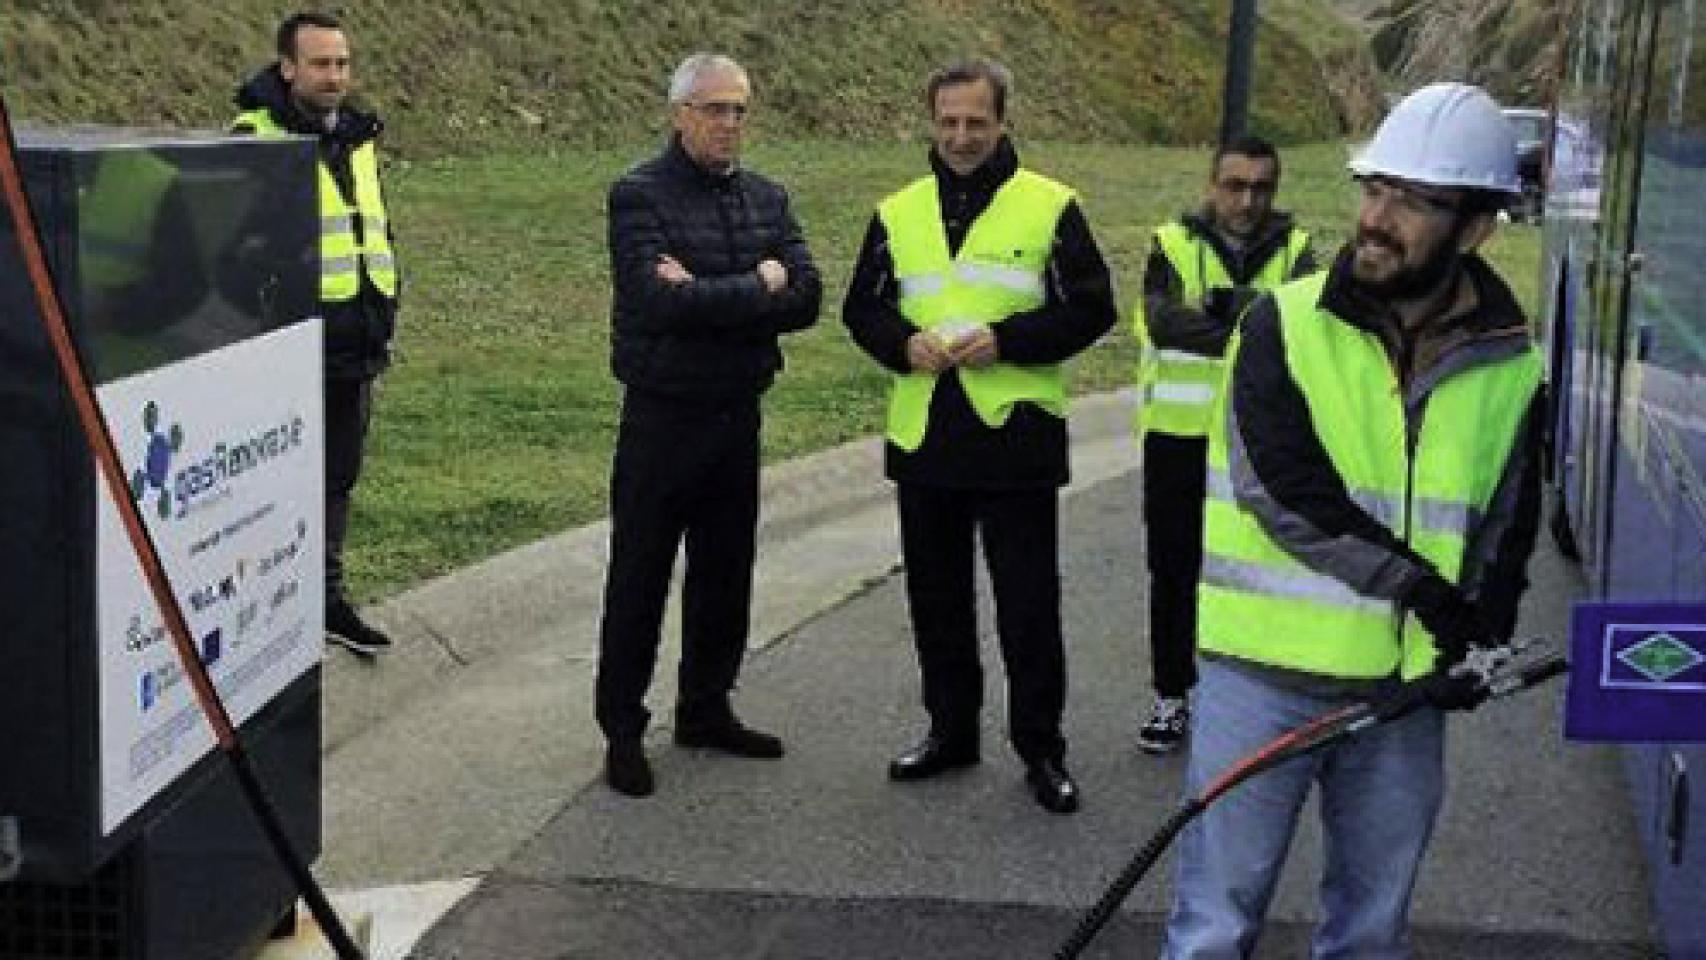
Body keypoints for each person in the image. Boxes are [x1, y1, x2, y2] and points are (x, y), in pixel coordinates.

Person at [1161, 82, 1545, 958]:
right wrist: (1419, 587)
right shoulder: (1282, 326)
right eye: (1374, 188)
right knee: (1215, 928)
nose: (1377, 217)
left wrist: (1477, 636)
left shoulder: (1512, 363)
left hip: (1404, 694)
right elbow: (1282, 489)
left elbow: (1506, 524)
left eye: (1412, 201)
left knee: (1371, 934)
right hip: (1259, 678)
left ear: (1476, 226)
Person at [843, 60, 1117, 815]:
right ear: (931, 123)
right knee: (937, 600)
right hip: (927, 437)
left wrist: (1009, 340)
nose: (962, 137)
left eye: (976, 122)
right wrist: (903, 345)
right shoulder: (897, 211)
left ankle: (1042, 748)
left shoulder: (1051, 206)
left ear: (1002, 122)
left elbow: (1093, 309)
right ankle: (950, 731)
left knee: (1027, 604)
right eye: (948, 122)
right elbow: (860, 309)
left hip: (1016, 440)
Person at [595, 53, 822, 798]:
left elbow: (809, 297)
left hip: (737, 412)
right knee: (641, 575)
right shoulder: (638, 196)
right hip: (663, 416)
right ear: (679, 114)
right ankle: (622, 730)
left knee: (726, 572)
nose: (729, 124)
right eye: (714, 109)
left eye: (739, 110)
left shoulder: (767, 196)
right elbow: (657, 303)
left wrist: (716, 293)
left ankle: (706, 706)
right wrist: (759, 286)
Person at [1133, 136, 1315, 755]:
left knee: (1261, 573)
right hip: (1178, 442)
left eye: (1260, 187)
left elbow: (1303, 331)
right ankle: (1171, 696)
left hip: (1258, 442)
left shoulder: (1296, 249)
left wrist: (1214, 312)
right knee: (1174, 572)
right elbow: (1162, 320)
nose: (1246, 200)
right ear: (1212, 185)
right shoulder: (1172, 243)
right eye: (1234, 186)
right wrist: (1252, 319)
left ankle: (1253, 700)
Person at [233, 11, 400, 656]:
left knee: (337, 480)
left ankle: (326, 600)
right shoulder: (256, 140)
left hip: (354, 342)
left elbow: (372, 232)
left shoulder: (358, 139)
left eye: (342, 63)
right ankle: (265, 615)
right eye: (321, 64)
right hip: (289, 349)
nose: (335, 76)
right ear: (288, 69)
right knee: (273, 487)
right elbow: (240, 257)